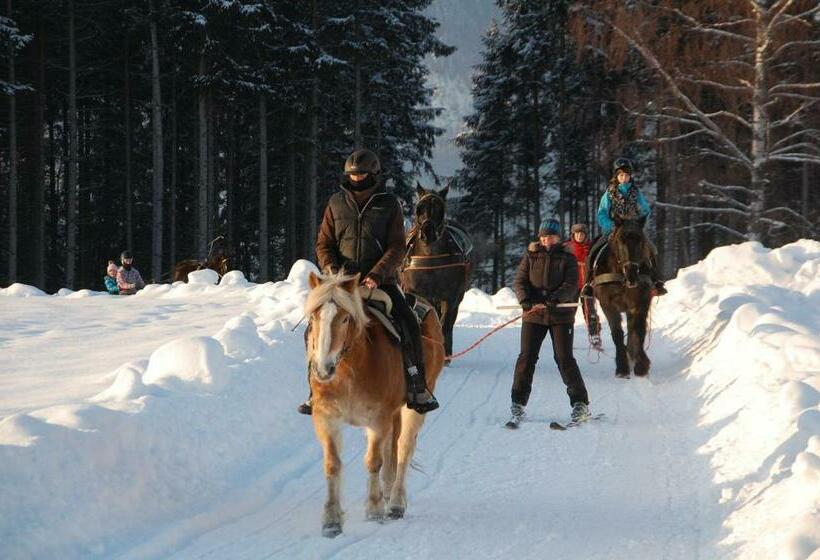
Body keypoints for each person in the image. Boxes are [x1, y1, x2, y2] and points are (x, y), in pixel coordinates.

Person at [298, 148, 439, 415]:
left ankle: (417, 386)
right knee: (313, 327)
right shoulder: (336, 203)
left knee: (408, 320)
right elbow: (324, 243)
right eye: (352, 174)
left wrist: (377, 274)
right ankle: (314, 388)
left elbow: (397, 246)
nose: (356, 178)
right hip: (341, 283)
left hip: (380, 281)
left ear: (373, 174)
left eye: (361, 174)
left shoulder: (388, 204)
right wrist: (333, 270)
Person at [510, 218, 591, 424]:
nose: (547, 240)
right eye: (544, 236)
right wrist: (526, 300)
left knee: (564, 358)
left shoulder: (568, 257)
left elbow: (572, 284)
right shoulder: (531, 256)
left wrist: (555, 299)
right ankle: (517, 403)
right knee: (526, 357)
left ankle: (580, 404)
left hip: (561, 316)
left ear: (558, 237)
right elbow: (520, 281)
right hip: (534, 316)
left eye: (551, 236)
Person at [580, 157, 667, 297]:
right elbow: (601, 213)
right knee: (594, 250)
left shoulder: (635, 192)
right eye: (621, 175)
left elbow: (645, 209)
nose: (624, 178)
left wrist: (640, 222)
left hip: (633, 229)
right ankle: (588, 283)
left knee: (652, 248)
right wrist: (610, 225)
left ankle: (656, 280)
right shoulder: (609, 193)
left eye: (626, 175)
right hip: (614, 229)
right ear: (616, 176)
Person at [563, 224, 602, 348]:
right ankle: (565, 337)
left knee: (590, 311)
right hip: (571, 284)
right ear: (573, 235)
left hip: (587, 284)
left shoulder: (591, 247)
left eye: (582, 234)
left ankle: (595, 335)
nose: (580, 236)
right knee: (569, 312)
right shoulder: (566, 247)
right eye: (577, 233)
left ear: (586, 235)